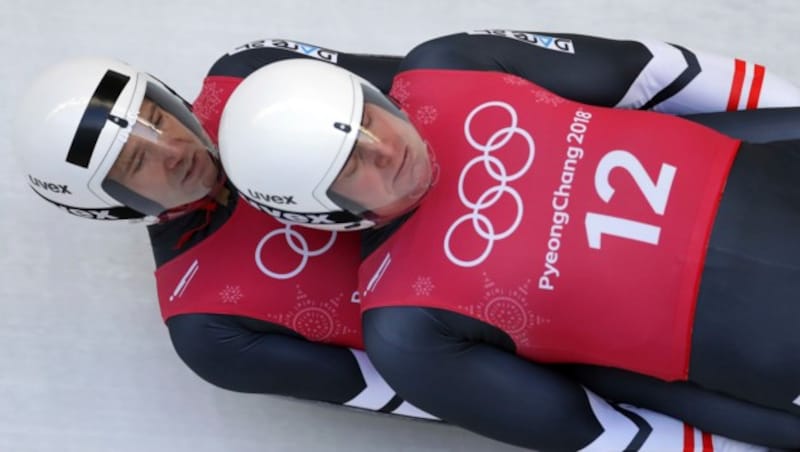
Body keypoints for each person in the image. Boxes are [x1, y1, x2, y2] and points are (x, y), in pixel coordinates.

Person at [218, 32, 800, 451]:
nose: (384, 147)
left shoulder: (452, 64)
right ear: (330, 214)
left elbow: (659, 71)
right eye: (351, 165)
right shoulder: (408, 326)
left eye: (367, 118)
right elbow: (603, 434)